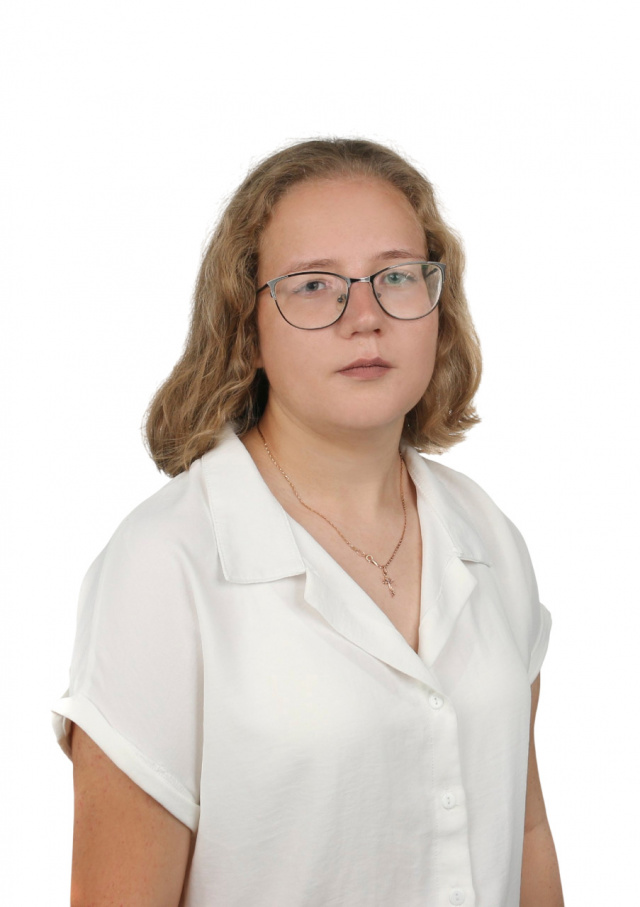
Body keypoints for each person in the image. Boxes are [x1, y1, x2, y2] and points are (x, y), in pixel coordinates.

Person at [52, 138, 564, 906]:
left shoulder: (487, 534)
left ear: (438, 303)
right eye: (314, 285)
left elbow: (523, 830)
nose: (366, 316)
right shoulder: (164, 564)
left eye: (397, 275)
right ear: (246, 327)